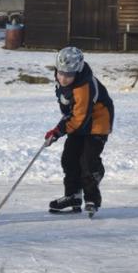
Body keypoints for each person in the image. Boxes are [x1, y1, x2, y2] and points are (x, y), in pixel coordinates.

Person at [44, 47, 114, 216]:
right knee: (69, 158)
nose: (63, 78)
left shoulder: (84, 87)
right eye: (60, 73)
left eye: (68, 75)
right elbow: (70, 111)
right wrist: (58, 129)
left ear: (78, 70)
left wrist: (59, 131)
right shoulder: (61, 81)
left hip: (98, 123)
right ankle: (73, 196)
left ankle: (92, 198)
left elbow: (79, 118)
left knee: (86, 162)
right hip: (79, 121)